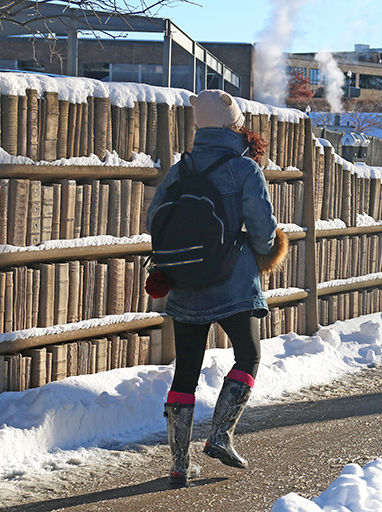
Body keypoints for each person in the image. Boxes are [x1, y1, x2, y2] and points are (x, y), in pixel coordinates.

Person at [145, 89, 287, 487]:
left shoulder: (182, 167)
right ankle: (220, 436)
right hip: (233, 282)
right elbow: (261, 229)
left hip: (186, 283)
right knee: (249, 354)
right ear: (233, 124)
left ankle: (178, 464)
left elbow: (155, 218)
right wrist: (262, 252)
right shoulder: (244, 169)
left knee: (186, 370)